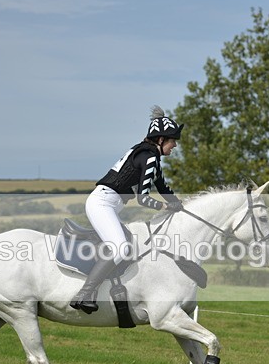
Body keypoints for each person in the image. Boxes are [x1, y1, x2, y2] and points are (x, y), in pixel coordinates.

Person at [69, 105, 184, 314]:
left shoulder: (151, 157)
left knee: (128, 244)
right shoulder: (148, 158)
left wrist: (181, 206)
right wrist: (165, 206)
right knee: (121, 247)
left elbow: (164, 188)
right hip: (102, 203)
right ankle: (84, 294)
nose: (175, 145)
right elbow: (143, 199)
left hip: (108, 204)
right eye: (172, 140)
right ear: (160, 140)